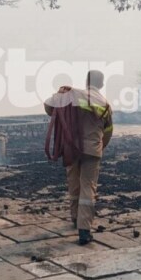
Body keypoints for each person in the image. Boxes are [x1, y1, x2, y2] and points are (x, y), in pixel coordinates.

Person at [43, 70, 113, 245]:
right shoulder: (105, 104)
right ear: (102, 84)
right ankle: (84, 229)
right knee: (87, 187)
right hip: (92, 150)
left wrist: (61, 92)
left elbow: (49, 107)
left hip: (72, 148)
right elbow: (108, 131)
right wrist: (99, 147)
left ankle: (75, 217)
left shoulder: (74, 96)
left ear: (86, 81)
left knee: (74, 184)